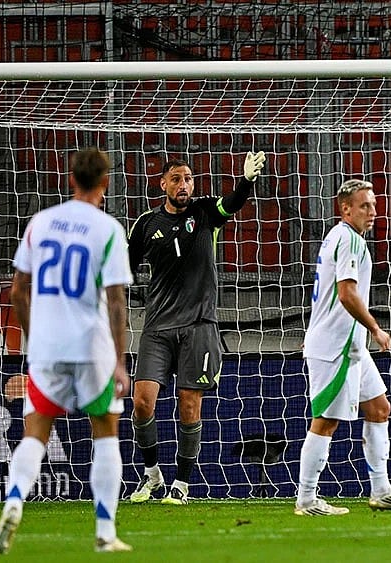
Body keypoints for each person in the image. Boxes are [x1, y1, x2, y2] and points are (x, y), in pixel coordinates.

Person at [0, 148, 133, 554]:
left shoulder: (40, 223)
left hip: (48, 347)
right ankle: (105, 532)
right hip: (92, 347)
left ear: (70, 179)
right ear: (105, 182)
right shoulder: (108, 229)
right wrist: (120, 361)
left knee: (35, 433)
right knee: (105, 434)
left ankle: (14, 501)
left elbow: (18, 292)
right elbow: (117, 301)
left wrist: (36, 338)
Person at [127, 151, 267, 504]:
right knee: (142, 402)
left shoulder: (205, 213)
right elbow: (125, 268)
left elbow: (232, 203)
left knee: (189, 406)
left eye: (188, 179)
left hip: (199, 326)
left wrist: (246, 181)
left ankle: (182, 484)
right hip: (157, 327)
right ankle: (152, 475)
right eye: (176, 179)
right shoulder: (146, 223)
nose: (183, 185)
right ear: (163, 184)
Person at [295, 179, 391, 516]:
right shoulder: (349, 239)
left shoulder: (340, 237)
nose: (373, 211)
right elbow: (346, 293)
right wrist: (375, 328)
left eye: (374, 205)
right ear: (345, 208)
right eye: (365, 205)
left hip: (349, 345)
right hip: (336, 346)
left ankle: (381, 491)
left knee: (379, 408)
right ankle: (306, 500)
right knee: (325, 421)